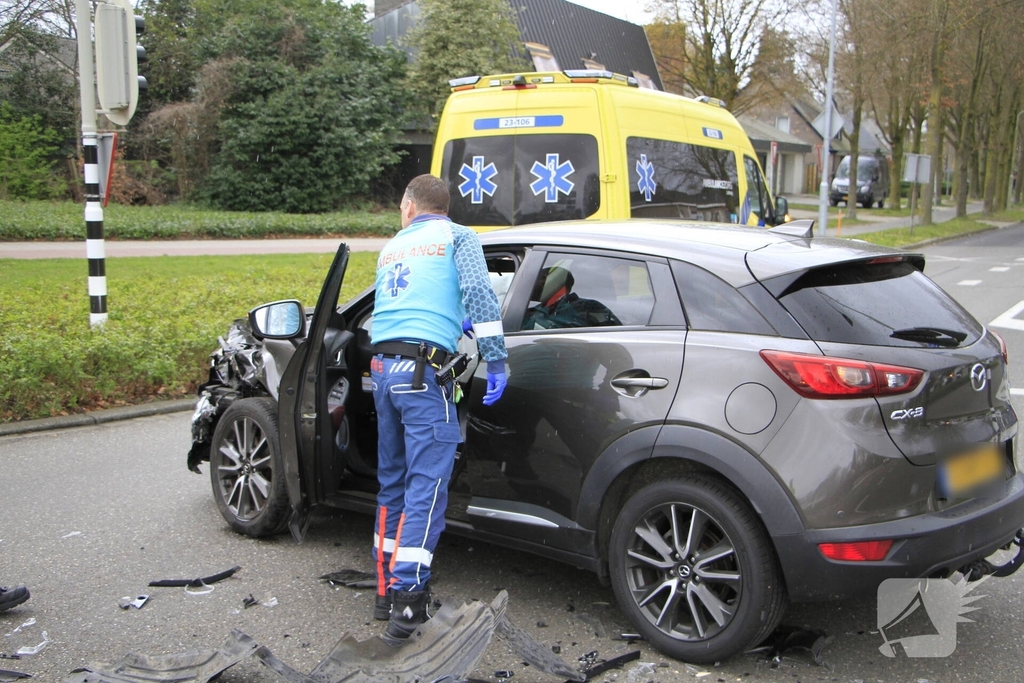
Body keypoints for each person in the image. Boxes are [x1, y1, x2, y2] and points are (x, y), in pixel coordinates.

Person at [369, 174, 508, 645]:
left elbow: (410, 303)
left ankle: (386, 591)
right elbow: (482, 294)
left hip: (384, 374)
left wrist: (454, 317)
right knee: (426, 488)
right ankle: (410, 602)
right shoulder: (458, 236)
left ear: (409, 207)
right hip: (424, 378)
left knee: (392, 483)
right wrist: (497, 356)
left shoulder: (392, 247)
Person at [521, 266, 621, 330]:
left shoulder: (587, 307)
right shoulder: (527, 312)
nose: (530, 284)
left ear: (553, 283)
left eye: (539, 278)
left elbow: (614, 342)